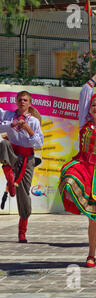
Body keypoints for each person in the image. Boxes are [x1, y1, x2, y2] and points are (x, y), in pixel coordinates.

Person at [58, 67, 96, 267]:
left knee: (94, 217)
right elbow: (85, 93)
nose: (95, 108)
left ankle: (91, 254)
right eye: (93, 105)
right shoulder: (84, 122)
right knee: (67, 178)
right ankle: (79, 202)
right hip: (83, 165)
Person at [0, 91, 44, 243]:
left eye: (25, 100)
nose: (22, 102)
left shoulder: (34, 122)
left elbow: (38, 144)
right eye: (19, 100)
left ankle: (22, 231)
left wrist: (27, 128)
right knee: (4, 143)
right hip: (12, 153)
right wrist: (10, 124)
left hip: (27, 158)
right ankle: (10, 177)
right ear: (16, 101)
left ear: (29, 103)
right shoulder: (8, 116)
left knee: (24, 195)